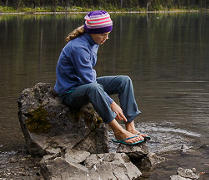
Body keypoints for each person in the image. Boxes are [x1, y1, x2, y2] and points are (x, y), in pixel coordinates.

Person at [54, 10, 148, 145]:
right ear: (92, 32)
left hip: (84, 85)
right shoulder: (78, 48)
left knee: (124, 81)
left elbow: (88, 79)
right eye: (103, 34)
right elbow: (88, 81)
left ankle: (130, 127)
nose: (106, 38)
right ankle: (118, 131)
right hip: (70, 93)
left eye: (108, 34)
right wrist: (111, 103)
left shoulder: (94, 42)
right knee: (94, 87)